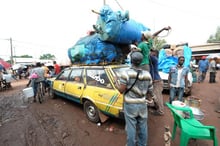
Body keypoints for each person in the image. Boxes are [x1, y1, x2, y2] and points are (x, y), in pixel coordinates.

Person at [115, 51, 155, 146]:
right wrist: (151, 99)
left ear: (131, 60)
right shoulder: (147, 74)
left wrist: (116, 81)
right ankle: (142, 144)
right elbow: (150, 91)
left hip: (130, 105)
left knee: (131, 127)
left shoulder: (125, 73)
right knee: (143, 127)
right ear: (141, 61)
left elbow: (121, 90)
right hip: (142, 104)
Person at [149, 49, 164, 116]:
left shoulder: (154, 59)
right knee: (154, 96)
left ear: (155, 54)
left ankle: (160, 111)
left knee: (158, 97)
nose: (150, 53)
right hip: (155, 81)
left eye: (152, 52)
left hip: (157, 82)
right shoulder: (152, 60)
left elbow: (148, 56)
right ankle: (156, 107)